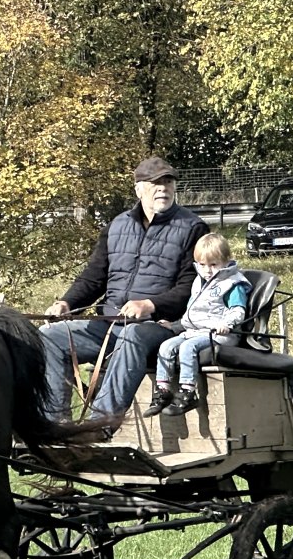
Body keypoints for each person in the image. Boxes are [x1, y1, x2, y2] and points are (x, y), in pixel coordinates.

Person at [41, 156, 210, 422]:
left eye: (167, 182)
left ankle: (100, 426)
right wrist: (66, 303)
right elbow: (93, 278)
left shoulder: (193, 227)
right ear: (138, 189)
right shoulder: (117, 226)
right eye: (154, 183)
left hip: (159, 326)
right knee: (49, 336)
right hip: (107, 323)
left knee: (132, 337)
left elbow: (191, 287)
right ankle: (56, 426)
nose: (162, 189)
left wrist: (150, 305)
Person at [143, 234, 251, 417]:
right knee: (166, 346)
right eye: (202, 264)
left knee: (187, 347)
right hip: (197, 331)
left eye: (213, 264)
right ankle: (163, 389)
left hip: (221, 334)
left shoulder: (232, 283)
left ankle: (188, 391)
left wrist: (227, 323)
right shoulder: (199, 281)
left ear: (226, 261)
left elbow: (238, 310)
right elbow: (195, 313)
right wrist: (175, 325)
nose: (207, 270)